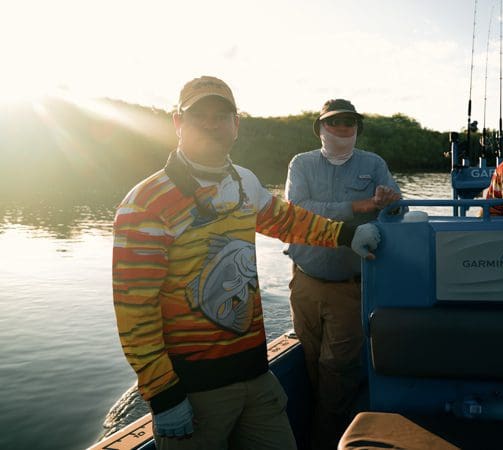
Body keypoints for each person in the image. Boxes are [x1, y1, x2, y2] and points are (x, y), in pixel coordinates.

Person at [112, 77, 380, 450]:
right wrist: (163, 394)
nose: (211, 123)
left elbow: (288, 220)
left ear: (236, 124)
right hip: (195, 392)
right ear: (177, 122)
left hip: (257, 378)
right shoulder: (145, 204)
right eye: (198, 115)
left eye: (221, 115)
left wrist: (345, 235)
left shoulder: (244, 183)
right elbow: (134, 309)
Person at [284, 98, 401, 450]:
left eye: (349, 122)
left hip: (349, 289)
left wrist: (391, 201)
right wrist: (358, 206)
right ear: (320, 128)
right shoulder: (301, 164)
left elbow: (397, 213)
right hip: (303, 282)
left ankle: (326, 441)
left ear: (357, 129)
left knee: (336, 371)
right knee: (309, 361)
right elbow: (297, 210)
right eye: (333, 123)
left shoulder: (374, 164)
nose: (341, 129)